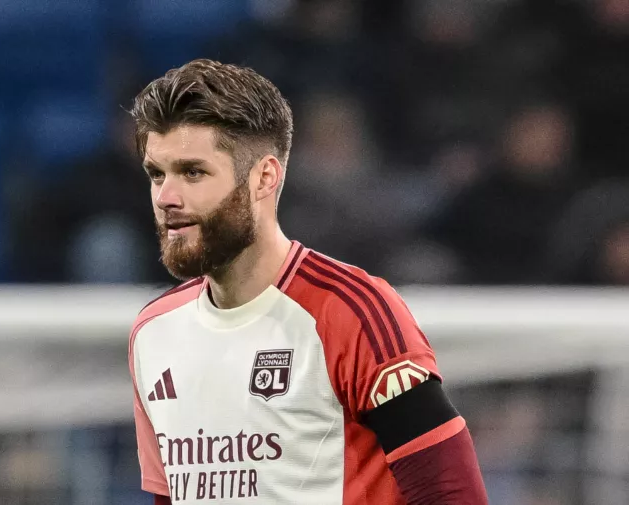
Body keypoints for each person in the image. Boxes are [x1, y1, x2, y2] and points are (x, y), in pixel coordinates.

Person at [127, 59, 488, 504]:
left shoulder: (353, 312)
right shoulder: (153, 332)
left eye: (193, 172)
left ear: (264, 178)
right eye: (157, 174)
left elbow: (453, 495)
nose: (166, 197)